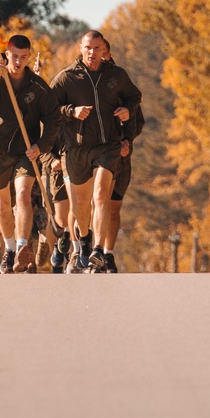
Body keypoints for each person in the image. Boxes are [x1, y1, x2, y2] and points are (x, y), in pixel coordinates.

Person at [50, 30, 142, 272]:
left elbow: (134, 97)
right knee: (80, 203)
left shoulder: (116, 75)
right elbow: (49, 110)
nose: (92, 53)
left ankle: (99, 250)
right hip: (77, 148)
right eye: (88, 48)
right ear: (81, 48)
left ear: (104, 50)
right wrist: (71, 111)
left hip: (107, 146)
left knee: (101, 195)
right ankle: (84, 238)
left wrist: (127, 109)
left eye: (97, 48)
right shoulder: (66, 78)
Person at [0, 35, 59, 273]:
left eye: (23, 57)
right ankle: (8, 249)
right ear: (5, 55)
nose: (18, 61)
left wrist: (41, 146)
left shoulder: (38, 86)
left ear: (29, 56)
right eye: (14, 56)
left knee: (22, 195)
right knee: (1, 201)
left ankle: (22, 247)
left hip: (26, 152)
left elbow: (53, 119)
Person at [100, 38, 144, 274]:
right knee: (97, 203)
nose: (102, 58)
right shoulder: (86, 81)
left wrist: (128, 140)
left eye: (105, 54)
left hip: (121, 156)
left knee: (114, 207)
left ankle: (108, 253)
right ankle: (86, 249)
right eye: (97, 53)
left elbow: (138, 119)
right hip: (96, 155)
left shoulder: (121, 80)